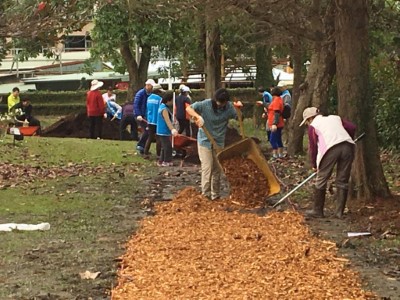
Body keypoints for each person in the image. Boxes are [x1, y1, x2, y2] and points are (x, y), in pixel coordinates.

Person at [186, 88, 243, 200]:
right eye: (218, 103)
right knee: (207, 168)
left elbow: (239, 118)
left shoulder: (229, 107)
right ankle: (205, 196)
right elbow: (189, 108)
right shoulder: (205, 104)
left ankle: (215, 195)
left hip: (219, 141)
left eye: (222, 103)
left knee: (217, 169)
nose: (220, 105)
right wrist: (198, 117)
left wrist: (239, 109)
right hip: (204, 141)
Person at [300, 107, 356, 218]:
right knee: (342, 180)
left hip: (330, 149)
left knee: (321, 178)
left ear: (310, 118)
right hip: (348, 146)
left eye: (306, 121)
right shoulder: (335, 118)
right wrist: (348, 137)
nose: (307, 124)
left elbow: (313, 148)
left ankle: (317, 211)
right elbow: (352, 127)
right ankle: (339, 212)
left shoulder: (313, 126)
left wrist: (315, 165)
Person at [133, 79, 156, 154]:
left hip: (146, 115)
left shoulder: (149, 94)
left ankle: (143, 148)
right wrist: (138, 114)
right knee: (147, 131)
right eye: (151, 86)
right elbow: (136, 105)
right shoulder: (140, 93)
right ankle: (140, 145)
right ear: (148, 85)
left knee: (148, 132)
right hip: (140, 116)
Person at [156, 92, 178, 167]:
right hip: (163, 131)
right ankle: (166, 161)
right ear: (168, 101)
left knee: (164, 146)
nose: (173, 103)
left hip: (161, 130)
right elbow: (167, 120)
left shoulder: (161, 106)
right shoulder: (164, 109)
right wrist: (172, 129)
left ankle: (161, 160)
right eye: (172, 101)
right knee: (167, 146)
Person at [143, 83, 164, 158]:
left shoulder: (149, 98)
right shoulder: (159, 99)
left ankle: (145, 152)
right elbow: (161, 110)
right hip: (157, 120)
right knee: (158, 137)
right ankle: (158, 154)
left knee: (150, 137)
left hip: (150, 120)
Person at [268, 87, 285, 159]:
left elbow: (276, 112)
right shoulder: (279, 99)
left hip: (276, 124)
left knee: (272, 139)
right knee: (278, 138)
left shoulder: (276, 101)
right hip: (279, 122)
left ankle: (275, 153)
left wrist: (274, 123)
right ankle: (280, 153)